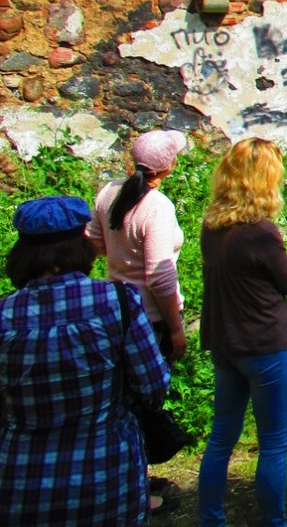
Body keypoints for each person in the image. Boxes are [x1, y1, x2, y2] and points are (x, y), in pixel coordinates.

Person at [0, 195, 171, 527]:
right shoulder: (116, 302)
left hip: (21, 479)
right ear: (82, 244)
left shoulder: (5, 315)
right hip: (105, 472)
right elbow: (154, 385)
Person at [197, 138, 287, 527]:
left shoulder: (213, 225)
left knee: (221, 436)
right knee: (273, 442)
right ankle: (274, 522)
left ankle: (211, 519)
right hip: (262, 342)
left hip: (225, 340)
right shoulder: (261, 231)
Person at [87, 129, 189, 362]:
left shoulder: (109, 191)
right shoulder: (157, 206)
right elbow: (159, 277)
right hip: (151, 317)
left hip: (115, 306)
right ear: (169, 166)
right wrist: (175, 329)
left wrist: (123, 252)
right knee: (151, 389)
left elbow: (95, 241)